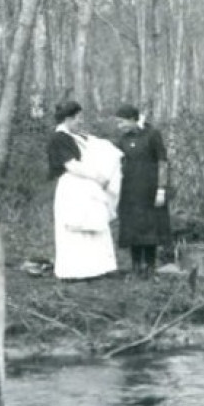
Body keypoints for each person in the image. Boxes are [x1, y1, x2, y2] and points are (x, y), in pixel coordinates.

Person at [47, 100, 122, 281]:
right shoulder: (59, 138)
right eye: (78, 118)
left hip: (85, 187)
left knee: (93, 224)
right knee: (76, 227)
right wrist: (98, 177)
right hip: (73, 187)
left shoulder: (75, 137)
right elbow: (71, 165)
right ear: (68, 119)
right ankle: (75, 271)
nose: (81, 121)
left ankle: (96, 268)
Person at [113, 104, 169, 277]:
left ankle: (150, 267)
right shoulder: (122, 140)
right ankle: (136, 266)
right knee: (132, 229)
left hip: (149, 191)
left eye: (121, 122)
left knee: (150, 228)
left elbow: (163, 163)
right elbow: (115, 163)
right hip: (129, 191)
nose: (119, 126)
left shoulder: (152, 135)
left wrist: (161, 188)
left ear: (132, 119)